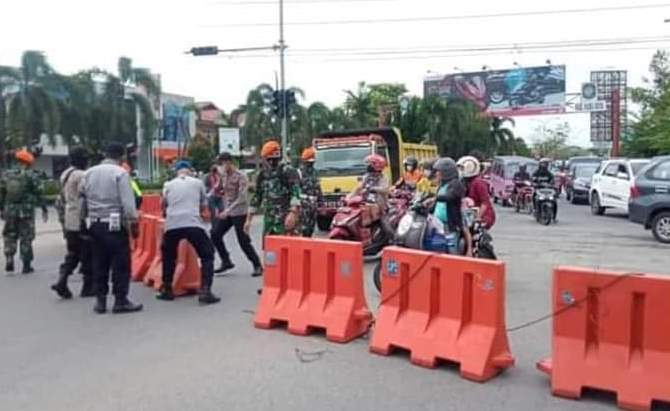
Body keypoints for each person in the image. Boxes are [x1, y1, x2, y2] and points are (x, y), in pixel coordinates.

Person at [80, 143, 142, 314]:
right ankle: (120, 300)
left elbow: (83, 200)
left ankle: (100, 302)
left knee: (99, 262)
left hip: (94, 223)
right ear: (121, 157)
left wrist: (83, 224)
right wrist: (134, 223)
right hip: (114, 224)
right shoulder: (120, 173)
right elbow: (128, 204)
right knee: (120, 264)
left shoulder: (89, 173)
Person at [156, 160, 220, 304]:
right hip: (193, 223)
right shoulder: (198, 183)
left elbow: (163, 206)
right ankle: (205, 291)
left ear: (177, 171)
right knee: (207, 254)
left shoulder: (168, 185)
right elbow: (203, 204)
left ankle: (167, 288)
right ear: (189, 170)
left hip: (172, 224)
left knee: (168, 256)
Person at [210, 152, 263, 277]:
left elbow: (242, 197)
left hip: (240, 212)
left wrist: (228, 210)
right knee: (215, 234)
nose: (221, 166)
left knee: (243, 241)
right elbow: (219, 190)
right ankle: (226, 261)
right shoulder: (223, 176)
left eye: (223, 163)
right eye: (220, 164)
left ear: (229, 162)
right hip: (228, 212)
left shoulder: (241, 176)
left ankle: (257, 265)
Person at [51, 147, 94, 299]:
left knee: (73, 252)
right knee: (88, 252)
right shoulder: (82, 175)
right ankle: (88, 287)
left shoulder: (66, 173)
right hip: (81, 218)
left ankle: (62, 279)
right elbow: (87, 195)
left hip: (69, 217)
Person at [0, 150, 48, 274]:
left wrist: (2, 209)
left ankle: (9, 258)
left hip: (10, 210)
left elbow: (1, 193)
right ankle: (26, 265)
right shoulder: (31, 175)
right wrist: (44, 207)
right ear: (28, 162)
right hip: (26, 211)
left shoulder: (6, 175)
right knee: (26, 237)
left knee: (10, 235)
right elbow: (39, 192)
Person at [250, 140, 302, 239]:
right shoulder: (262, 175)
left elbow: (296, 193)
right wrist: (248, 220)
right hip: (269, 221)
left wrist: (292, 213)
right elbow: (257, 197)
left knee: (288, 249)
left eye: (266, 158)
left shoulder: (288, 171)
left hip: (286, 219)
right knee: (270, 251)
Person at [432, 157, 466, 255]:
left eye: (439, 171)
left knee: (451, 252)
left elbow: (450, 197)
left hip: (449, 225)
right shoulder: (441, 185)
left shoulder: (456, 184)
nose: (437, 173)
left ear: (446, 172)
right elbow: (436, 204)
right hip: (436, 224)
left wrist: (435, 198)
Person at [457, 156, 496, 230]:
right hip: (469, 214)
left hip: (483, 216)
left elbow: (485, 203)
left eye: (462, 168)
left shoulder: (478, 183)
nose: (460, 171)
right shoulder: (465, 182)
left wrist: (478, 217)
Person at [298, 147, 322, 238]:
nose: (310, 164)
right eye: (308, 162)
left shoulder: (315, 172)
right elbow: (296, 190)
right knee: (304, 229)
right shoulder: (299, 173)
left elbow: (318, 188)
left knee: (311, 228)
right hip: (304, 204)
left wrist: (321, 202)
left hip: (313, 204)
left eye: (312, 162)